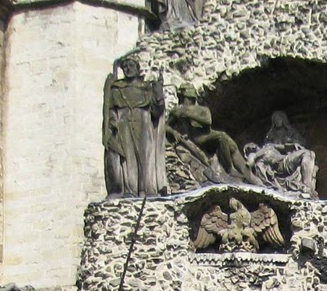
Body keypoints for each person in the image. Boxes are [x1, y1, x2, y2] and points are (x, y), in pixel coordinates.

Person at [102, 58, 167, 198]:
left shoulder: (146, 88)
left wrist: (159, 95)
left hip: (144, 125)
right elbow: (111, 109)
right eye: (125, 66)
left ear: (138, 69)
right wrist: (112, 122)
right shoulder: (117, 89)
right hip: (123, 125)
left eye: (131, 65)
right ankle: (129, 190)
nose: (128, 68)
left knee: (145, 156)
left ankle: (147, 189)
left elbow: (156, 112)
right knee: (127, 158)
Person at [166, 84, 251, 186]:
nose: (187, 101)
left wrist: (188, 114)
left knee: (227, 140)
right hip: (197, 139)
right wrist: (174, 132)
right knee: (221, 136)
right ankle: (230, 169)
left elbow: (208, 121)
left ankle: (237, 171)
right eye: (186, 98)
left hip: (207, 135)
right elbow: (166, 126)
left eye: (188, 99)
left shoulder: (202, 109)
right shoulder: (177, 111)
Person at [244, 111, 316, 197]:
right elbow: (250, 162)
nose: (276, 121)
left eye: (278, 118)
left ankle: (307, 185)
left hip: (285, 158)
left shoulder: (272, 145)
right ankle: (307, 185)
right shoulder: (261, 150)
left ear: (283, 120)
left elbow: (292, 145)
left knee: (310, 153)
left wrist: (292, 144)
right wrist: (250, 159)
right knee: (308, 154)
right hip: (280, 164)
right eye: (274, 119)